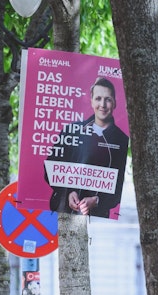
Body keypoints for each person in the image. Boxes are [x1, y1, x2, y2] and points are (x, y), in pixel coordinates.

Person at [46, 77, 129, 218]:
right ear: (91, 101)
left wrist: (97, 200)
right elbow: (49, 169)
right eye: (98, 98)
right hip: (66, 212)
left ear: (115, 103)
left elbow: (118, 185)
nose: (102, 104)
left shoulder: (121, 139)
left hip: (99, 217)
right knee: (68, 241)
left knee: (97, 241)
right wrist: (68, 192)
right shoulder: (72, 130)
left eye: (108, 99)